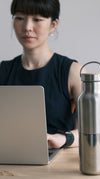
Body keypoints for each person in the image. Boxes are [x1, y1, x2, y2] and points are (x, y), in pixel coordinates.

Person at [0, 0, 83, 149]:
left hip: (59, 160)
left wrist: (63, 138)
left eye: (37, 19)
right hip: (9, 162)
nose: (27, 27)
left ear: (53, 25)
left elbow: (95, 129)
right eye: (19, 18)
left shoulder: (72, 71)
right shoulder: (3, 71)